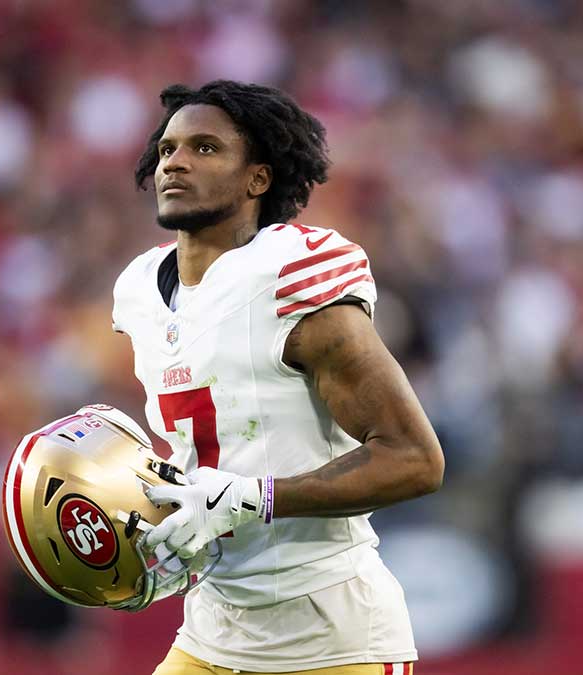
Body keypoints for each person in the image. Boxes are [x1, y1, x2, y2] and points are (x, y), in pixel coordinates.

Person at [111, 80, 444, 675]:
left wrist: (253, 497)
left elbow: (415, 459)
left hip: (331, 638)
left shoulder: (292, 276)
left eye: (206, 148)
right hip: (212, 627)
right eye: (167, 150)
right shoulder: (139, 290)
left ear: (258, 179)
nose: (177, 162)